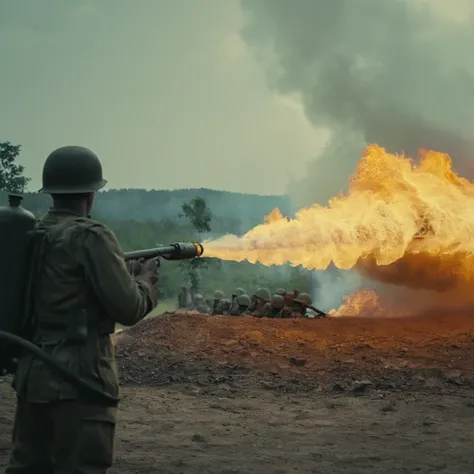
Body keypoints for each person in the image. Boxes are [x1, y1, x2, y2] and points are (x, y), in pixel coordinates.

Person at [5, 146, 159, 474]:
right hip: (80, 379)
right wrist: (146, 283)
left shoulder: (35, 233)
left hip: (34, 376)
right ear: (91, 193)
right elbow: (129, 309)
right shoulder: (92, 237)